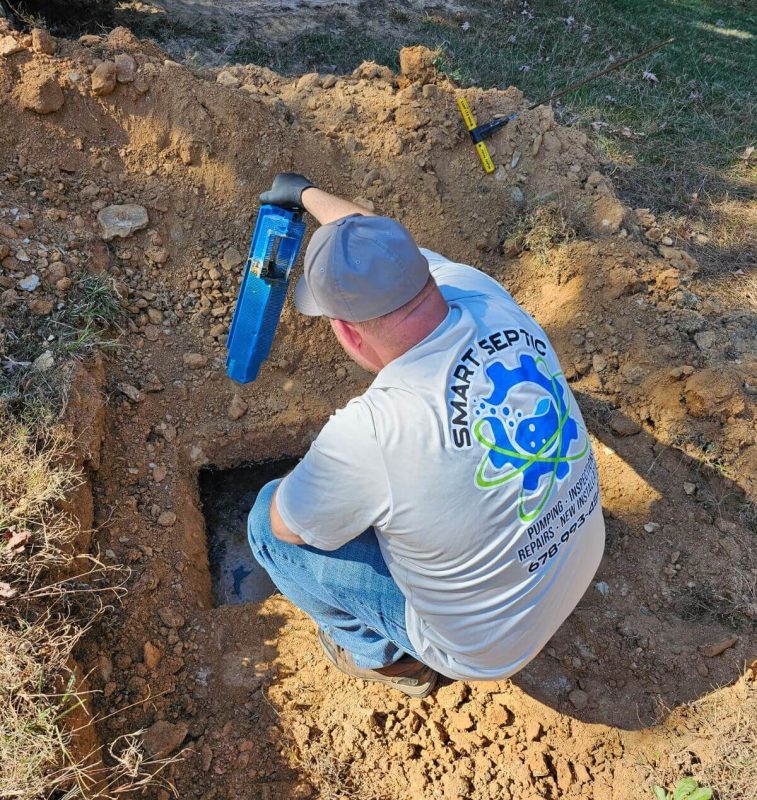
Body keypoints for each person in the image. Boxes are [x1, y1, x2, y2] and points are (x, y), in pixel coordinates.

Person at [247, 173, 605, 697]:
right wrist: (304, 194)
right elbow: (371, 238)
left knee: (264, 519)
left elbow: (286, 526)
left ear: (344, 330)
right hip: (578, 556)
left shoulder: (371, 431)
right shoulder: (482, 294)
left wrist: (326, 487)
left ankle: (392, 661)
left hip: (490, 646)